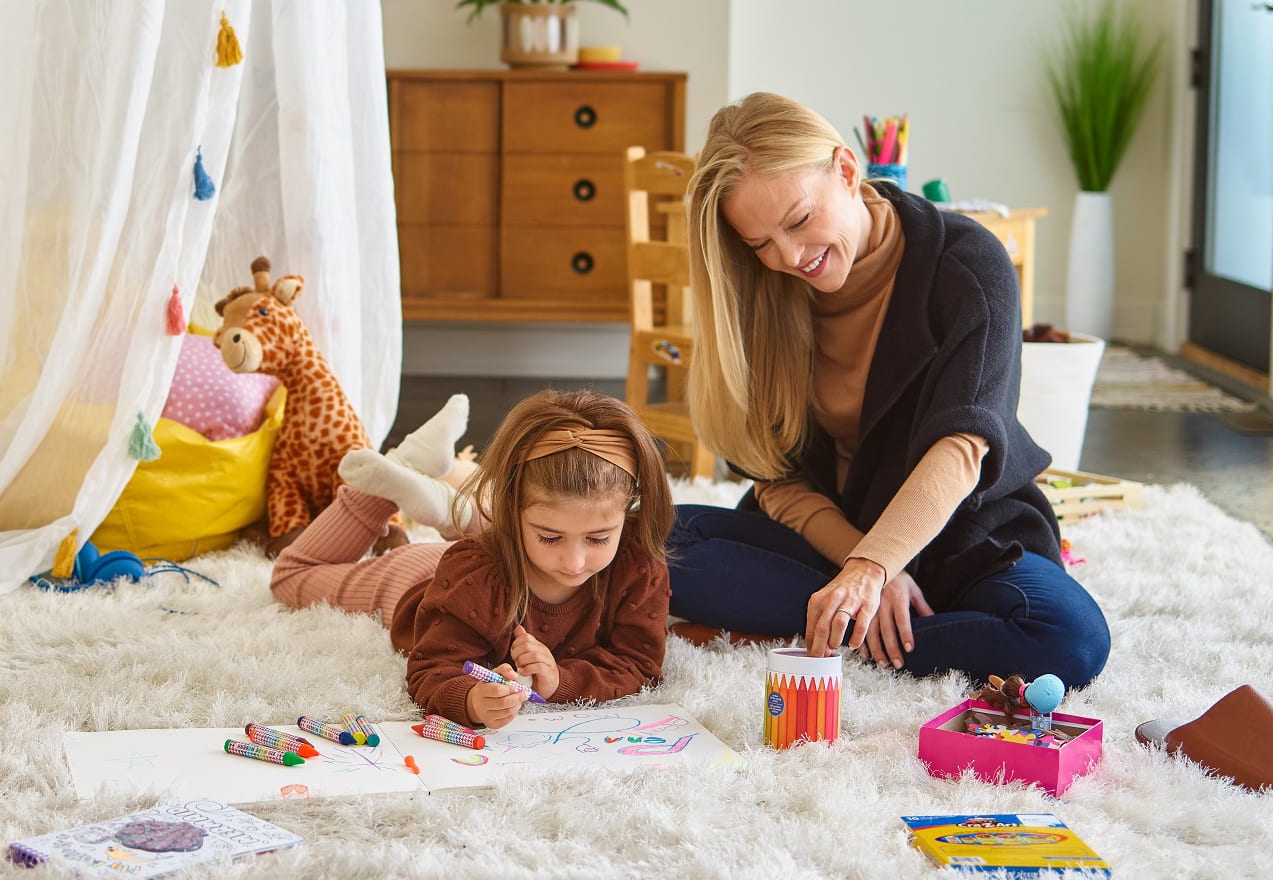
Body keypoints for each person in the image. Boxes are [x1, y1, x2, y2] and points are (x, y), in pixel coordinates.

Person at [668, 92, 1110, 687]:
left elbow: (961, 447)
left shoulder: (967, 263)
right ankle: (875, 624)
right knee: (647, 538)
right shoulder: (759, 288)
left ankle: (830, 628)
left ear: (847, 171)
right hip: (828, 543)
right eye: (761, 243)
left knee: (1070, 640)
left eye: (799, 221)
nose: (790, 257)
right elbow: (779, 480)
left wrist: (876, 565)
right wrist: (863, 564)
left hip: (961, 537)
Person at [270, 390, 675, 729]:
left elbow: (638, 663)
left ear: (629, 513)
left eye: (599, 538)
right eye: (549, 537)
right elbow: (430, 672)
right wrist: (471, 702)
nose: (574, 561)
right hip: (412, 581)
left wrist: (562, 680)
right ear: (511, 510)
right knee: (291, 576)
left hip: (484, 562)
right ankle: (394, 472)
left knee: (510, 549)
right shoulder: (474, 575)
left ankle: (447, 505)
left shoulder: (638, 564)